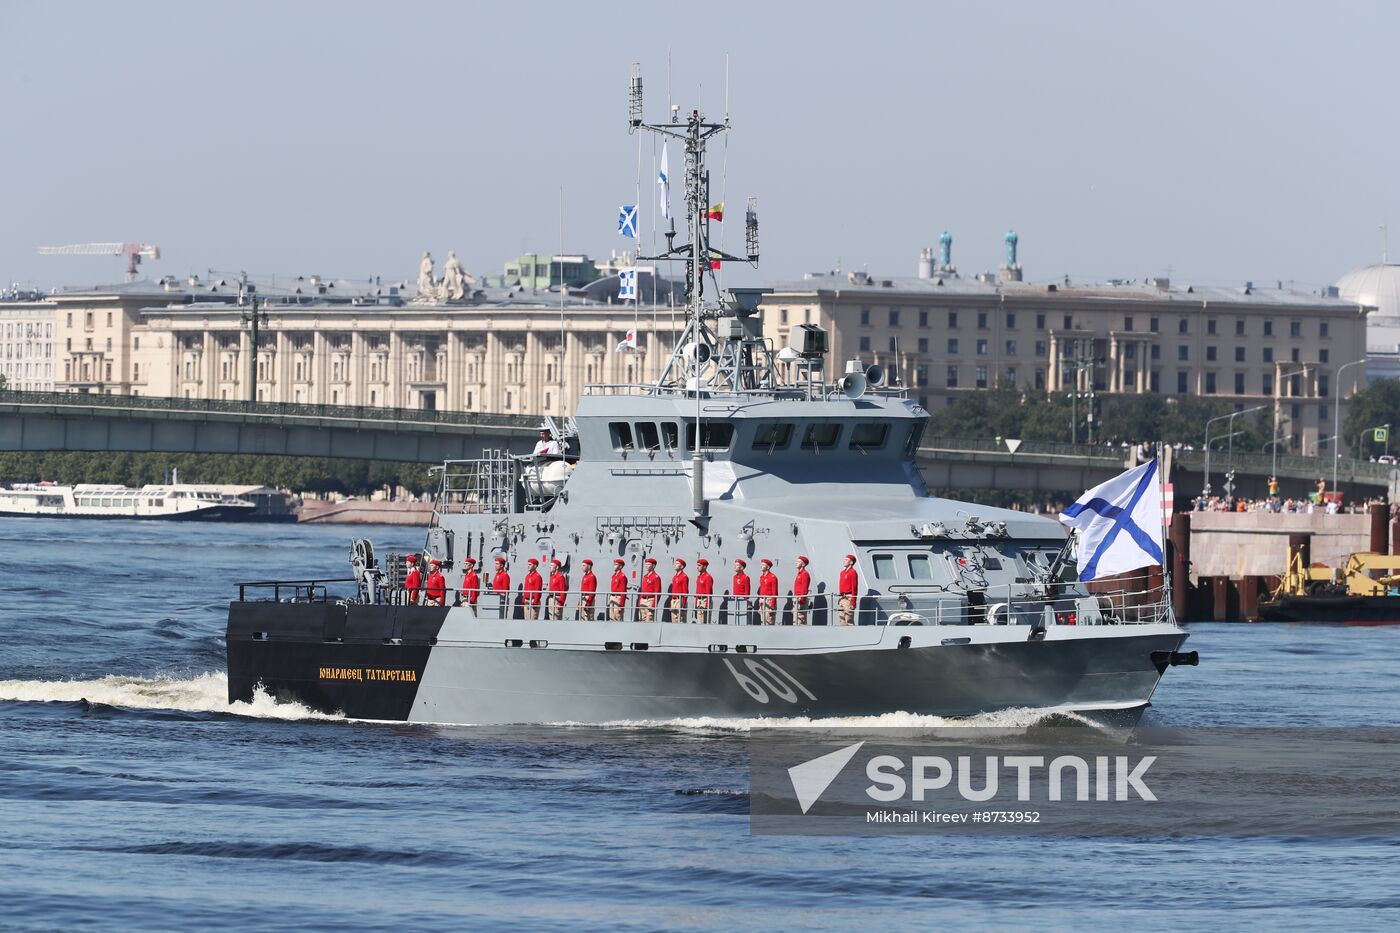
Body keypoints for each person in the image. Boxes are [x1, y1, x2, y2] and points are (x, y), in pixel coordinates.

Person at [838, 554, 858, 626]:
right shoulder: (842, 573)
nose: (844, 561)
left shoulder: (853, 572)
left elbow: (854, 587)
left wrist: (853, 601)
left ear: (851, 562)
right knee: (842, 619)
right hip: (842, 597)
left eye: (846, 560)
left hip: (848, 597)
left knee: (849, 619)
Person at [639, 557, 661, 622]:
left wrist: (654, 605)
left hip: (650, 600)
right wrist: (640, 601)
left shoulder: (656, 577)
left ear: (653, 566)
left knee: (649, 619)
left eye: (648, 564)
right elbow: (643, 590)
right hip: (643, 600)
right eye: (646, 564)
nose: (646, 566)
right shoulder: (645, 576)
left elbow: (658, 592)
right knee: (642, 619)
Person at [758, 559, 779, 625]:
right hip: (762, 601)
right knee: (762, 621)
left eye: (763, 565)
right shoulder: (762, 577)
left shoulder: (773, 577)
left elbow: (774, 592)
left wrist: (773, 606)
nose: (761, 566)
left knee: (769, 621)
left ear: (768, 567)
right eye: (761, 564)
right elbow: (761, 592)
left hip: (769, 601)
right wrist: (759, 606)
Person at [668, 558, 690, 623]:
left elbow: (685, 591)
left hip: (680, 600)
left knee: (681, 619)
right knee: (674, 620)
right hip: (674, 600)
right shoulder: (674, 577)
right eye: (675, 563)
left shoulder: (684, 576)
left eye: (677, 563)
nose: (675, 565)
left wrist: (683, 603)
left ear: (682, 566)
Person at [693, 558, 713, 624]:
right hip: (699, 601)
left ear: (705, 566)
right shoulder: (699, 577)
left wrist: (707, 604)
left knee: (704, 621)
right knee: (699, 621)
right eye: (697, 565)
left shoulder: (708, 577)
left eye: (699, 565)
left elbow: (709, 592)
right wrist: (696, 602)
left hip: (704, 601)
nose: (697, 567)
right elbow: (697, 590)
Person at [792, 555, 811, 625]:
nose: (796, 563)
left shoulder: (805, 574)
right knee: (795, 621)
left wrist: (801, 601)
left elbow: (804, 589)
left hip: (800, 600)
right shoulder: (799, 574)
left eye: (798, 561)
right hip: (796, 599)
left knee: (800, 621)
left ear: (803, 564)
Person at [732, 558, 751, 625]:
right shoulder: (734, 577)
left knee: (742, 618)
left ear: (742, 567)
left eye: (737, 565)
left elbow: (747, 590)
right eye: (735, 565)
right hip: (735, 600)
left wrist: (745, 600)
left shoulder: (745, 577)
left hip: (742, 600)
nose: (735, 566)